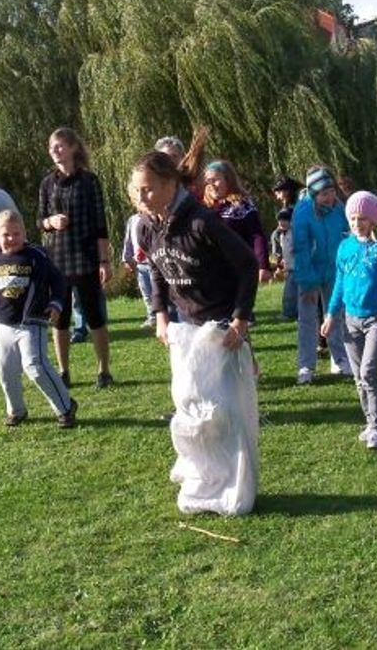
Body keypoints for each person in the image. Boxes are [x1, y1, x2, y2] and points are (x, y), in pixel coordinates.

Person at [131, 150, 260, 513]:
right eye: (137, 191)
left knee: (226, 413)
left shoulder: (202, 222)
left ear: (170, 184)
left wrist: (240, 320)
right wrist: (159, 314)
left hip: (221, 328)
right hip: (186, 330)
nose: (142, 197)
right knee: (191, 408)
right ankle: (204, 480)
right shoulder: (146, 225)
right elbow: (156, 269)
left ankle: (235, 488)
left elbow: (248, 266)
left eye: (149, 189)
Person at [0, 210, 78, 429]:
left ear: (24, 233)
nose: (11, 239)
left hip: (31, 323)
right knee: (5, 370)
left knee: (35, 366)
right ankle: (16, 410)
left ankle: (65, 407)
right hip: (5, 325)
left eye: (16, 233)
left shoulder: (36, 256)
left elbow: (58, 281)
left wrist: (55, 304)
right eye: (6, 235)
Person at [321, 191, 377, 450]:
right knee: (359, 376)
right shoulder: (345, 247)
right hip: (350, 320)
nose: (356, 223)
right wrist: (330, 315)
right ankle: (369, 423)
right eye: (352, 218)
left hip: (376, 319)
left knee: (369, 372)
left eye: (362, 218)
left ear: (373, 220)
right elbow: (339, 283)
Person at [36, 128, 113, 388]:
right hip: (56, 259)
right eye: (51, 147)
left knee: (94, 315)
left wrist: (104, 261)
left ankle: (103, 370)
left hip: (86, 258)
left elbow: (101, 225)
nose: (55, 151)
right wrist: (50, 221)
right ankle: (63, 371)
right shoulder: (47, 183)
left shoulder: (89, 181)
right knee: (60, 317)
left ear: (73, 148)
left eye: (59, 146)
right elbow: (39, 221)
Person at [292, 165, 352, 384]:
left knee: (335, 314)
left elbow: (347, 234)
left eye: (332, 191)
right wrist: (307, 281)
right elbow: (301, 247)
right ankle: (306, 366)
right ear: (314, 193)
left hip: (334, 270)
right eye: (324, 194)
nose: (330, 197)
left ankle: (340, 359)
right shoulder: (303, 211)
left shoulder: (338, 208)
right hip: (309, 272)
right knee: (307, 319)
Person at [202, 160, 273, 284]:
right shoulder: (203, 208)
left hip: (238, 270)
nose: (212, 185)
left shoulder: (241, 205)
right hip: (211, 273)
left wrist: (263, 265)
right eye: (208, 181)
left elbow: (256, 235)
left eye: (215, 180)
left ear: (228, 179)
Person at [121, 210, 157, 328]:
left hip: (153, 262)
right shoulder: (133, 219)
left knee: (157, 291)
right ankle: (151, 316)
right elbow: (128, 240)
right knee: (146, 292)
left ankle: (163, 315)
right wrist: (126, 258)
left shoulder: (154, 218)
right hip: (139, 263)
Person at [270, 207, 298, 320]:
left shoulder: (295, 233)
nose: (281, 222)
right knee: (290, 292)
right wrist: (279, 262)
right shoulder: (281, 234)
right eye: (280, 220)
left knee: (291, 293)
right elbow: (278, 251)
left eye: (285, 220)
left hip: (298, 267)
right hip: (289, 267)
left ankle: (289, 313)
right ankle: (292, 312)